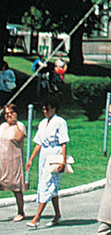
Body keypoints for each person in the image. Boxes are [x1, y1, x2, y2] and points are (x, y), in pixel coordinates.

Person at [25, 95, 69, 228]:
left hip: (55, 154)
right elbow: (38, 143)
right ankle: (57, 215)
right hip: (44, 154)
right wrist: (31, 159)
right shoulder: (43, 123)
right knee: (47, 184)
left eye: (47, 109)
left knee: (48, 183)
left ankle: (36, 217)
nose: (45, 111)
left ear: (54, 108)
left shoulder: (60, 122)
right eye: (43, 109)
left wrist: (63, 161)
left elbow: (63, 143)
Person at [0, 102, 26, 221]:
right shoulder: (2, 126)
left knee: (16, 188)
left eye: (11, 113)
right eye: (6, 113)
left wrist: (14, 123)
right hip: (2, 160)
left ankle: (21, 211)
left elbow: (20, 138)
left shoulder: (20, 125)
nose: (9, 115)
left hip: (14, 160)